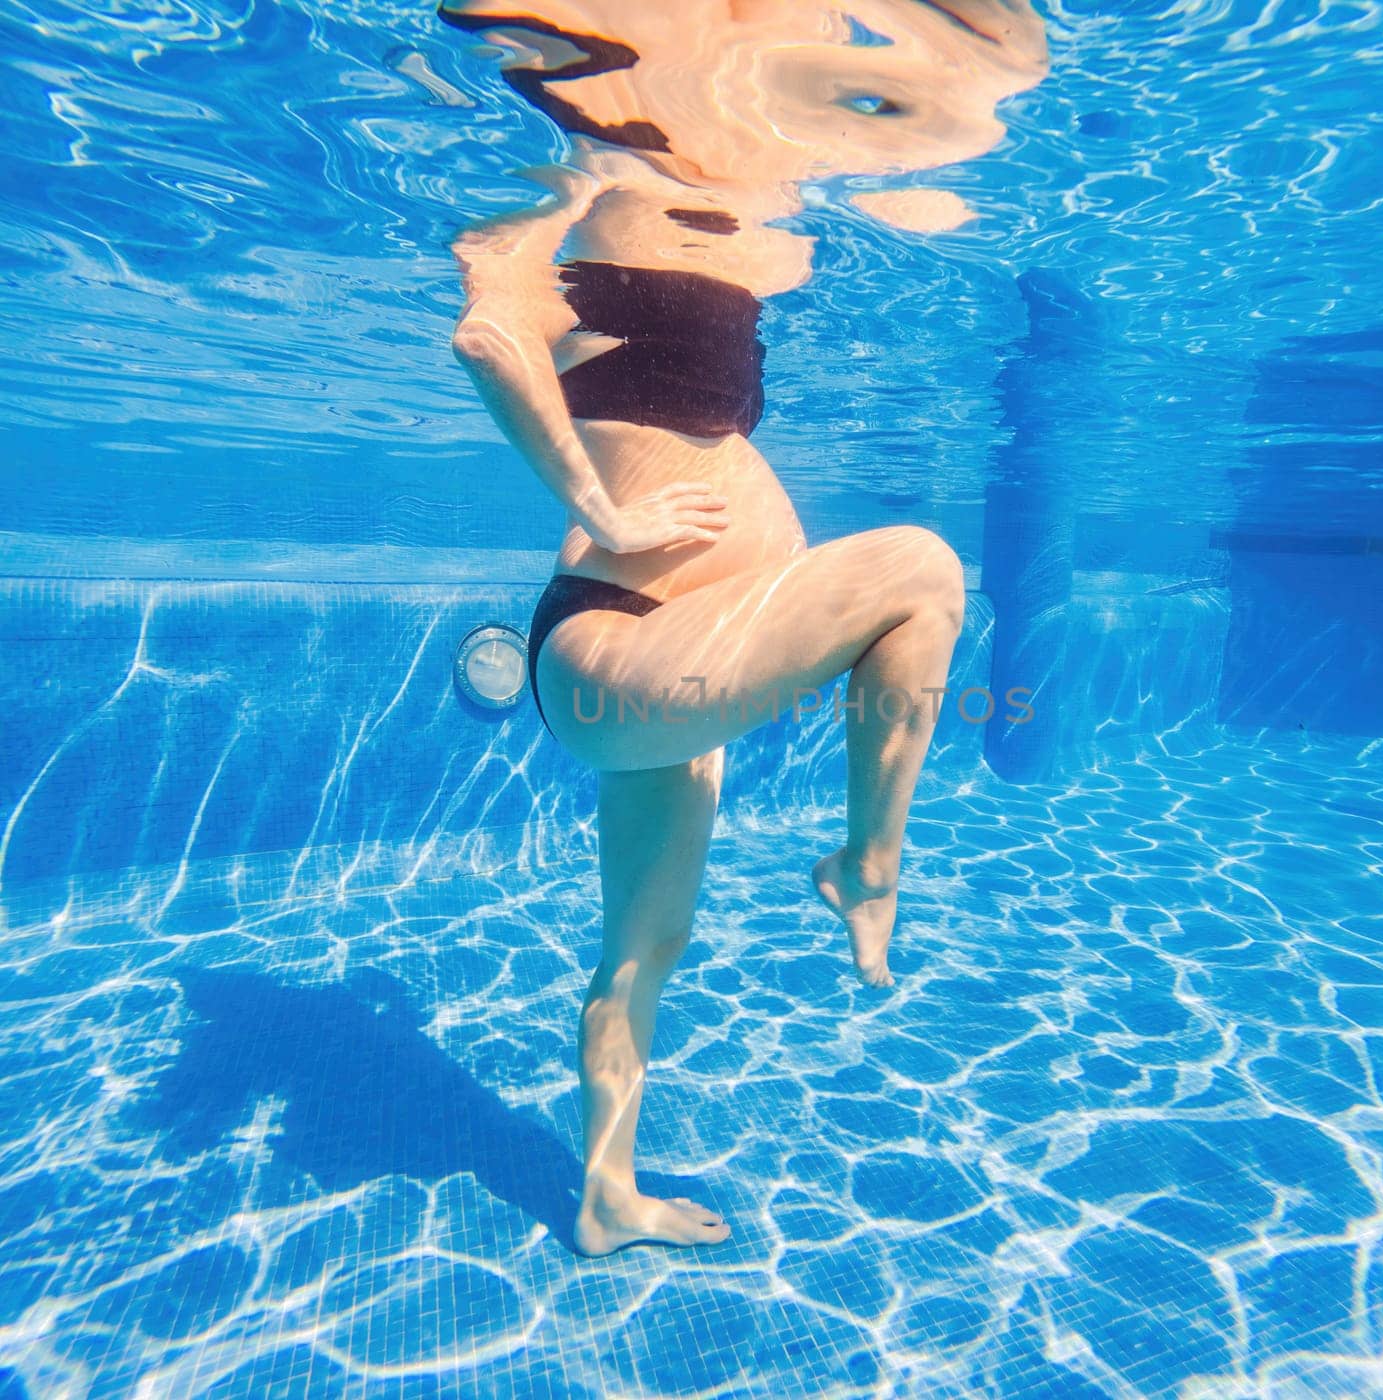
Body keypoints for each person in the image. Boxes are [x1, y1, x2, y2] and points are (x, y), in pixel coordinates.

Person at [441, 0, 1047, 1255]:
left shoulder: (717, 247)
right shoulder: (561, 210)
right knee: (923, 571)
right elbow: (488, 334)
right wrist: (599, 498)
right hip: (617, 645)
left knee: (645, 949)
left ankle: (607, 1195)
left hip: (676, 657)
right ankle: (868, 862)